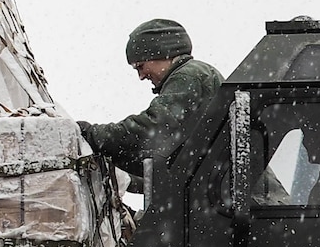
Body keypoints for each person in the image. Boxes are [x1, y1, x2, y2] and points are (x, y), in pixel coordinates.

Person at [78, 19, 223, 179]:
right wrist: (122, 176)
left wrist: (93, 135)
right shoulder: (196, 75)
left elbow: (153, 127)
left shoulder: (188, 76)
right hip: (215, 183)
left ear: (162, 53)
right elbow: (168, 157)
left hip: (214, 187)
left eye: (140, 66)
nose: (141, 76)